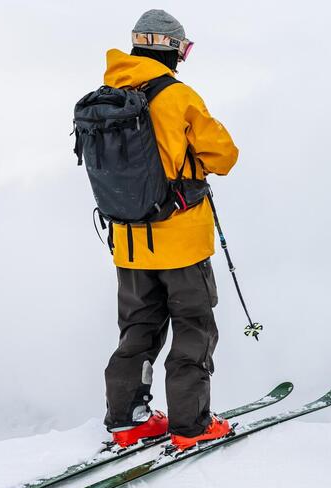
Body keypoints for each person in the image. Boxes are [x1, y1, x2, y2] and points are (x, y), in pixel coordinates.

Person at [100, 10, 239, 451]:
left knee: (138, 328)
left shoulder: (107, 93)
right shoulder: (178, 96)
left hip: (129, 242)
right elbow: (225, 156)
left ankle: (127, 419)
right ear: (172, 48)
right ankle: (190, 425)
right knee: (194, 328)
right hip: (180, 239)